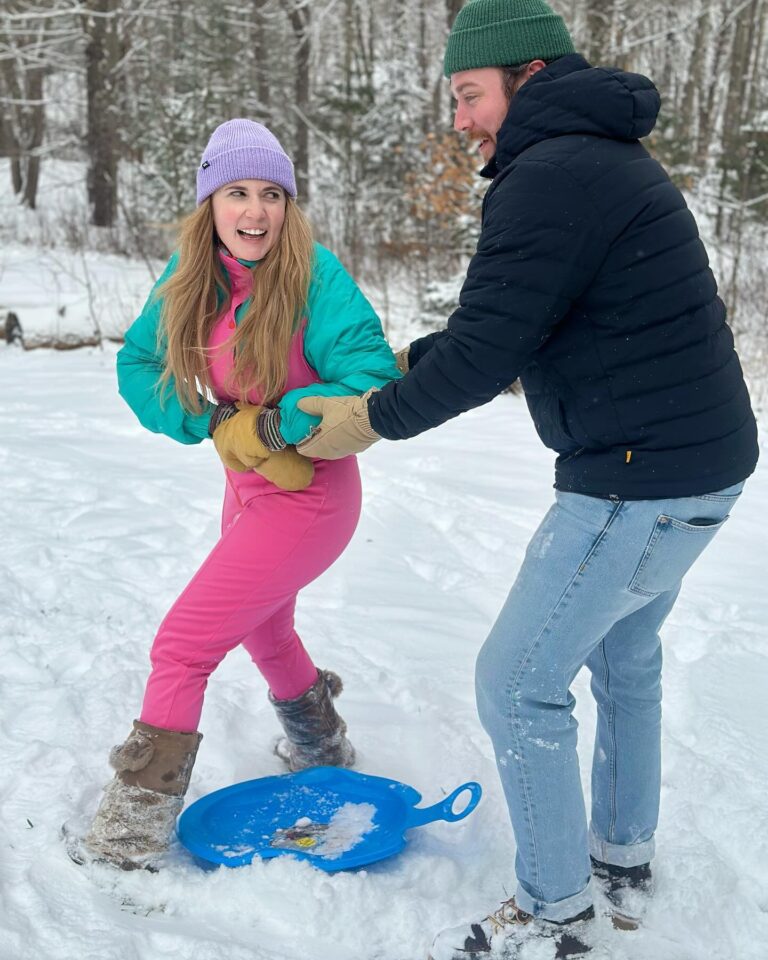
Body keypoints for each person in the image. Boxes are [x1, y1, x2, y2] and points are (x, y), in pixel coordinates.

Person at [294, 1, 760, 956]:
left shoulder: (551, 174)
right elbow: (515, 323)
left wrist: (367, 422)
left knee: (515, 682)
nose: (460, 118)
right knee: (624, 658)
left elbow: (486, 348)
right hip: (702, 467)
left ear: (528, 76)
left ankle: (555, 920)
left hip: (637, 478)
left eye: (469, 95)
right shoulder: (597, 158)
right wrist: (407, 371)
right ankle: (621, 857)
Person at [81, 119, 401, 871]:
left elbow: (372, 380)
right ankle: (323, 744)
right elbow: (138, 363)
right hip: (245, 487)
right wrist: (211, 419)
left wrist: (277, 421)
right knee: (264, 627)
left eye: (270, 195)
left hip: (312, 496)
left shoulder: (315, 276)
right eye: (236, 194)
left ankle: (130, 834)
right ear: (210, 204)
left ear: (288, 205)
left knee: (182, 646)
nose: (254, 212)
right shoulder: (193, 273)